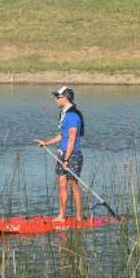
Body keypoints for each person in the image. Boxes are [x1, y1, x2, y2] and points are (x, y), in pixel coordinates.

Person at [34, 86, 84, 222]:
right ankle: (61, 216)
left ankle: (79, 218)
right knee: (61, 185)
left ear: (65, 98)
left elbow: (72, 139)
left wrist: (66, 160)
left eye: (58, 97)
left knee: (73, 185)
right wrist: (46, 142)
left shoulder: (73, 116)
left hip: (72, 155)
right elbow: (63, 135)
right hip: (63, 154)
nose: (56, 99)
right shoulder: (64, 114)